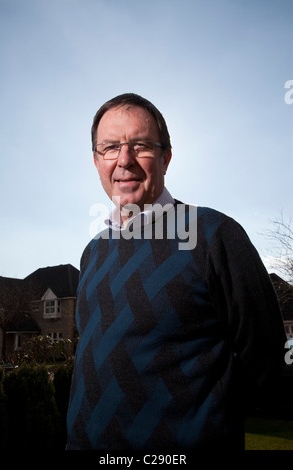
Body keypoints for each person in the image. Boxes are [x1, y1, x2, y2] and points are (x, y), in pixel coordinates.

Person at [66, 93, 286, 451]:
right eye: (109, 148)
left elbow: (266, 354)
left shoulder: (212, 235)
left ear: (166, 158)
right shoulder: (92, 253)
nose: (124, 161)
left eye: (140, 146)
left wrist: (204, 429)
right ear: (96, 161)